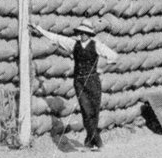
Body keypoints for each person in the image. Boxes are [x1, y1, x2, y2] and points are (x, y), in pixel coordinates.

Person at [30, 20, 118, 149]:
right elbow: (57, 38)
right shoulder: (73, 44)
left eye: (85, 33)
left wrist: (102, 69)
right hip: (79, 82)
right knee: (86, 110)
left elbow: (113, 56)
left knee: (94, 111)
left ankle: (91, 140)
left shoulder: (97, 45)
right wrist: (40, 30)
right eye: (81, 33)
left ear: (90, 34)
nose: (83, 35)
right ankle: (95, 140)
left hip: (93, 81)